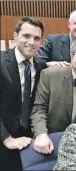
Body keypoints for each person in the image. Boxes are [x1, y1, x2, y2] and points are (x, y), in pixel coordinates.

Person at [31, 37, 76, 154]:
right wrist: (41, 134)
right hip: (50, 141)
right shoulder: (49, 75)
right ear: (72, 57)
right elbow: (39, 109)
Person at [0, 17, 46, 171]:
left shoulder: (41, 66)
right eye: (26, 36)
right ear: (15, 36)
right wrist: (6, 138)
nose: (31, 42)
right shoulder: (1, 62)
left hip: (28, 140)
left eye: (36, 38)